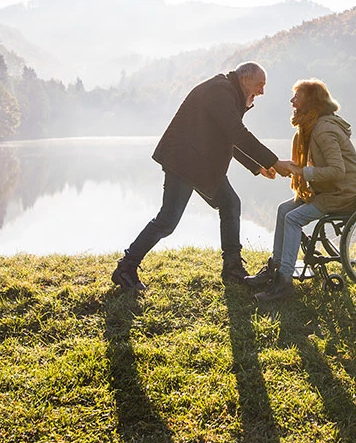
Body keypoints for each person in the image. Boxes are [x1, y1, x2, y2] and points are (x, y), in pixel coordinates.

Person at [112, 62, 295, 290]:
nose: (262, 91)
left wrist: (258, 166)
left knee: (229, 203)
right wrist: (274, 162)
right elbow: (237, 134)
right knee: (167, 220)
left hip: (200, 163)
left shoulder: (229, 92)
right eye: (260, 85)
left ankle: (232, 269)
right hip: (184, 162)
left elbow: (228, 136)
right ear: (245, 79)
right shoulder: (220, 91)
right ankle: (126, 268)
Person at [245, 78, 356, 302]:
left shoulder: (323, 130)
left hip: (341, 191)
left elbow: (337, 171)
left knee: (293, 218)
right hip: (327, 188)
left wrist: (302, 173)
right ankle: (275, 269)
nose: (292, 101)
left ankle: (284, 282)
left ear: (311, 102)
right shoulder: (314, 125)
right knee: (284, 209)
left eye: (296, 97)